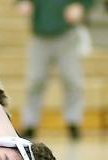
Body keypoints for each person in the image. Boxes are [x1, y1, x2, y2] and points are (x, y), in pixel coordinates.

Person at [16, 0, 94, 141]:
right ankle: (30, 124)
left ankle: (73, 122)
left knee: (72, 81)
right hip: (39, 35)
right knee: (35, 81)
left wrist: (81, 6)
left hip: (67, 34)